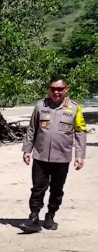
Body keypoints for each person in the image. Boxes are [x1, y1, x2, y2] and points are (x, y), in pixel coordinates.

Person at [21, 75, 87, 232]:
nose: (56, 92)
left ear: (66, 89)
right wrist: (27, 150)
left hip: (62, 157)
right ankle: (34, 217)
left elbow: (80, 132)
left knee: (57, 189)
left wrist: (79, 155)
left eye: (60, 89)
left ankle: (50, 216)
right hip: (40, 156)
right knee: (38, 188)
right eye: (53, 89)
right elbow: (32, 129)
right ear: (49, 89)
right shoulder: (40, 106)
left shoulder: (75, 108)